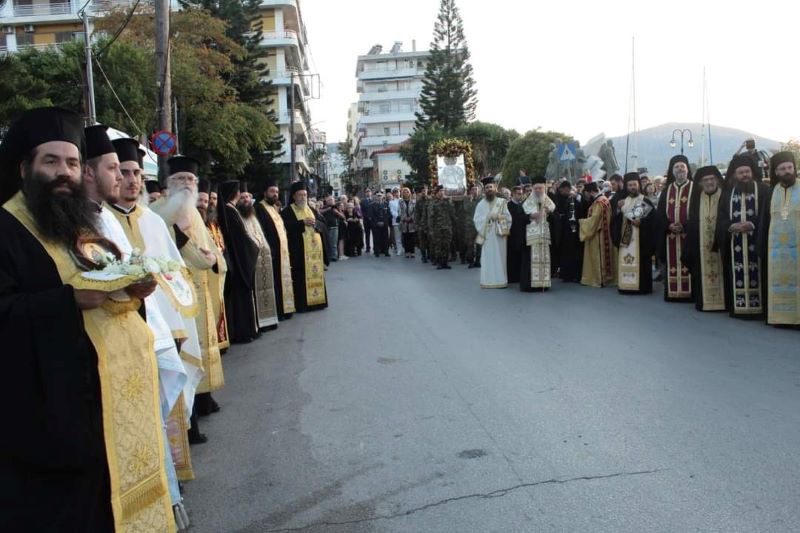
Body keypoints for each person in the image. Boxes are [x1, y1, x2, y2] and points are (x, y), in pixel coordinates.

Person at [0, 107, 174, 531]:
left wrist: (132, 291)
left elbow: (107, 281)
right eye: (51, 161)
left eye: (73, 162)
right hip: (45, 418)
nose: (65, 172)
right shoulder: (5, 228)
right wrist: (70, 301)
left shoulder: (76, 222)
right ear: (25, 167)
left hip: (101, 406)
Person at [108, 137, 202, 516]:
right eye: (124, 173)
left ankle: (170, 486)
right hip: (124, 335)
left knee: (165, 407)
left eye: (135, 174)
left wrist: (177, 326)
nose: (132, 181)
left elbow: (175, 273)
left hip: (164, 330)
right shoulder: (101, 219)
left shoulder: (151, 221)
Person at [151, 156, 225, 430]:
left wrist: (212, 260)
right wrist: (189, 247)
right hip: (172, 300)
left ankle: (201, 404)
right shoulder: (155, 212)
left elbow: (209, 255)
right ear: (169, 183)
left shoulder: (194, 213)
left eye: (191, 180)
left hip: (200, 293)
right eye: (180, 179)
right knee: (181, 358)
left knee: (200, 351)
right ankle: (185, 423)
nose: (186, 184)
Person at [714, 155, 770, 319]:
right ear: (735, 175)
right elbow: (722, 217)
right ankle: (738, 308)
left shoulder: (764, 190)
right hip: (735, 243)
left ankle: (761, 309)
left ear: (752, 172)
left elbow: (768, 216)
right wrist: (731, 226)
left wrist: (752, 225)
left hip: (758, 242)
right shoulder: (727, 194)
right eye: (741, 172)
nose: (744, 175)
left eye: (747, 171)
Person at [759, 152, 799, 327]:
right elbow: (763, 222)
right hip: (775, 252)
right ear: (776, 172)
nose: (787, 171)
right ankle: (780, 318)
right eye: (783, 169)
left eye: (790, 167)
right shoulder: (770, 193)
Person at [216, 180, 259, 342]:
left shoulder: (231, 209)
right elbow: (240, 239)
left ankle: (247, 330)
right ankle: (243, 332)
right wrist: (253, 247)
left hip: (238, 260)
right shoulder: (229, 210)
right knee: (241, 298)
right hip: (239, 261)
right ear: (235, 193)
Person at [682, 166, 726, 312]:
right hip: (700, 246)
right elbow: (692, 222)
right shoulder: (696, 199)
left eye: (712, 179)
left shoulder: (725, 195)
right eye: (705, 180)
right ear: (700, 183)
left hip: (722, 246)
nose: (709, 182)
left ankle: (724, 303)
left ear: (718, 180)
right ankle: (703, 302)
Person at [282, 181, 328, 312]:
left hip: (314, 253)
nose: (303, 197)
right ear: (294, 196)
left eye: (305, 195)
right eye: (300, 195)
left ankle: (317, 303)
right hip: (298, 253)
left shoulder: (312, 210)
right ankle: (303, 305)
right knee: (300, 279)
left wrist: (316, 224)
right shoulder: (287, 212)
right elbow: (286, 227)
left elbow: (323, 225)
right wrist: (302, 223)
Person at [238, 187, 279, 331]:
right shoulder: (238, 216)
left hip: (264, 257)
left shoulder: (253, 215)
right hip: (252, 259)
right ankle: (259, 322)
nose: (246, 200)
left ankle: (268, 320)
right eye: (242, 198)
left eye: (248, 197)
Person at [255, 179, 296, 321]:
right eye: (272, 191)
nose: (275, 194)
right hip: (271, 253)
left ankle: (285, 309)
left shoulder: (274, 208)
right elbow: (261, 232)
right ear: (265, 192)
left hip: (282, 253)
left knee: (282, 281)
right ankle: (278, 311)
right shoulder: (259, 208)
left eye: (277, 192)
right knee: (275, 283)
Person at [656, 155, 695, 302]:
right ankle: (673, 293)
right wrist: (668, 225)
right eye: (677, 167)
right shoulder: (666, 191)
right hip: (670, 237)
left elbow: (698, 212)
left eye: (682, 166)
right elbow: (659, 215)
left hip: (689, 236)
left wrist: (685, 226)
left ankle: (691, 293)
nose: (680, 169)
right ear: (672, 171)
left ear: (687, 169)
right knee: (671, 263)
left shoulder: (695, 188)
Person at [198, 179, 230, 350]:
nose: (209, 203)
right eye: (205, 199)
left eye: (212, 200)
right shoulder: (197, 224)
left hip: (217, 272)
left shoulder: (214, 223)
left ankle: (220, 341)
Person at [612, 173, 656, 294]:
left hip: (641, 240)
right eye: (630, 185)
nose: (632, 187)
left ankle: (642, 287)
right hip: (625, 239)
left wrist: (642, 223)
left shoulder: (645, 200)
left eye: (634, 184)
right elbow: (614, 221)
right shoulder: (622, 202)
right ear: (626, 186)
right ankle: (625, 285)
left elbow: (653, 222)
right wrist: (617, 209)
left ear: (638, 185)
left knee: (642, 262)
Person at [473, 176, 512, 287]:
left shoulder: (502, 202)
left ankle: (501, 280)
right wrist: (488, 217)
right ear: (484, 190)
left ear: (495, 188)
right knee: (488, 258)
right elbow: (477, 220)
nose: (489, 189)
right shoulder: (480, 205)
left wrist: (499, 217)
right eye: (487, 187)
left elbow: (508, 218)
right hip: (487, 236)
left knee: (500, 258)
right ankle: (488, 281)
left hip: (499, 236)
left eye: (491, 187)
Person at [520, 177, 557, 291]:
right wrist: (531, 216)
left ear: (544, 188)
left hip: (545, 237)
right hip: (531, 239)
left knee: (545, 260)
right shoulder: (526, 203)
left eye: (541, 188)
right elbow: (520, 219)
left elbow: (556, 220)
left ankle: (543, 284)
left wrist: (549, 214)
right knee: (529, 261)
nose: (538, 190)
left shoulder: (549, 203)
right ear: (532, 189)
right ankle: (529, 285)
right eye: (536, 188)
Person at [579, 181, 615, 287]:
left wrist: (581, 222)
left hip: (598, 236)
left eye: (585, 193)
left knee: (598, 257)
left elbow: (594, 220)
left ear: (590, 192)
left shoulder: (599, 202)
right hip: (604, 234)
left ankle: (598, 278)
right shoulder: (603, 200)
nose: (585, 195)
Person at [554, 179, 583, 282]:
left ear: (567, 189)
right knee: (565, 253)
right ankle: (565, 274)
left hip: (575, 231)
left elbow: (581, 210)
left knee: (575, 253)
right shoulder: (559, 198)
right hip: (564, 231)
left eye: (562, 191)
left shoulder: (576, 198)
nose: (561, 193)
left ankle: (575, 274)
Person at [429, 185, 457, 270]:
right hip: (437, 228)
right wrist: (431, 229)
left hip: (447, 227)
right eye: (440, 191)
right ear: (437, 193)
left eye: (443, 191)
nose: (442, 192)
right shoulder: (433, 203)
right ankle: (439, 262)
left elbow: (452, 213)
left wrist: (448, 201)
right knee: (438, 246)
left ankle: (445, 262)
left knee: (447, 245)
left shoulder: (447, 201)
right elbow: (431, 217)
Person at [506, 185, 527, 283]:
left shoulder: (524, 205)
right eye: (518, 194)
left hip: (522, 234)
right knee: (511, 257)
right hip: (511, 234)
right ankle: (512, 277)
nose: (520, 196)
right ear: (513, 194)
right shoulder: (508, 206)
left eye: (522, 194)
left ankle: (520, 277)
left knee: (521, 257)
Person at [463, 184, 481, 268]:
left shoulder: (481, 199)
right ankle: (471, 261)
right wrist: (471, 200)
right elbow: (466, 209)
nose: (475, 191)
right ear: (470, 191)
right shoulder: (467, 199)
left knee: (479, 244)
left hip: (479, 225)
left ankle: (478, 261)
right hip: (470, 225)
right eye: (473, 189)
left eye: (476, 189)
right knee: (470, 244)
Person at [320, 195, 342, 262]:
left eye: (332, 200)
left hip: (335, 227)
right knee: (327, 242)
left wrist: (336, 212)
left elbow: (342, 216)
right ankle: (328, 257)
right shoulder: (324, 207)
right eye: (329, 200)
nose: (331, 201)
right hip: (326, 227)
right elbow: (320, 212)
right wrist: (328, 209)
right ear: (326, 201)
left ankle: (334, 256)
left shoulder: (336, 207)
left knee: (334, 243)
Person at [370, 190, 392, 257]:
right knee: (376, 238)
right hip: (376, 224)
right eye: (378, 195)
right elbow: (372, 215)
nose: (379, 197)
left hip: (384, 224)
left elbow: (388, 214)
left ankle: (386, 251)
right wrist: (377, 222)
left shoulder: (386, 204)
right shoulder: (372, 205)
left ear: (383, 196)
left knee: (385, 238)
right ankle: (377, 252)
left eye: (380, 195)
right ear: (375, 196)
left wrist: (384, 222)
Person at [398, 186, 416, 258]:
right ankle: (407, 252)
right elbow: (399, 211)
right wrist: (404, 218)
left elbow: (415, 211)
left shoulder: (413, 201)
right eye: (404, 192)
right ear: (402, 193)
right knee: (405, 238)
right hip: (404, 222)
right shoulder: (400, 202)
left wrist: (411, 218)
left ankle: (412, 252)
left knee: (412, 238)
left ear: (409, 193)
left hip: (412, 222)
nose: (406, 193)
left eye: (407, 192)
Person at [414, 185, 430, 262]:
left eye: (425, 190)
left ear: (427, 191)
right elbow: (416, 214)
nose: (424, 192)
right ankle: (424, 256)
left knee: (430, 241)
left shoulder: (430, 200)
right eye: (423, 191)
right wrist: (417, 224)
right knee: (422, 241)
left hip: (429, 224)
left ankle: (430, 255)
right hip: (421, 224)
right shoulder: (419, 202)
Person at [388, 190, 402, 255]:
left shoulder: (402, 200)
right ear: (393, 193)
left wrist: (403, 216)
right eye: (395, 192)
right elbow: (392, 211)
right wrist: (398, 216)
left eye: (398, 192)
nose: (397, 193)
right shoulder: (391, 202)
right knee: (397, 236)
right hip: (396, 220)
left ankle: (405, 249)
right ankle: (399, 249)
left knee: (405, 236)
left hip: (404, 220)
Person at [361, 188, 374, 253]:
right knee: (367, 235)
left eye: (369, 191)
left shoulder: (374, 200)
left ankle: (375, 247)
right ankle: (368, 247)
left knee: (375, 234)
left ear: (371, 192)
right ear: (365, 193)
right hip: (366, 221)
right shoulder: (362, 201)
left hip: (373, 220)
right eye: (367, 192)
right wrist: (367, 217)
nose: (368, 193)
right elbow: (362, 211)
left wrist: (373, 217)